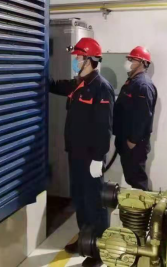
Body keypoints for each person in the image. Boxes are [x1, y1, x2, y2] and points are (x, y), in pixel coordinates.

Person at [50, 37, 114, 267]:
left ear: (90, 60)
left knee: (95, 202)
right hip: (75, 154)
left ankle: (98, 251)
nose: (76, 61)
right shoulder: (79, 84)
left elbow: (104, 127)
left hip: (91, 157)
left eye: (79, 57)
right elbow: (55, 86)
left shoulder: (101, 87)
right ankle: (84, 240)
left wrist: (98, 158)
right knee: (80, 199)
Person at [113, 46, 157, 191]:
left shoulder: (143, 85)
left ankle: (145, 204)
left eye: (132, 59)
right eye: (129, 59)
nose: (129, 62)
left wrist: (133, 140)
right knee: (131, 178)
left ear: (142, 63)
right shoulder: (132, 81)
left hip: (134, 143)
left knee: (138, 180)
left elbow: (143, 116)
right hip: (125, 139)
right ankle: (138, 203)